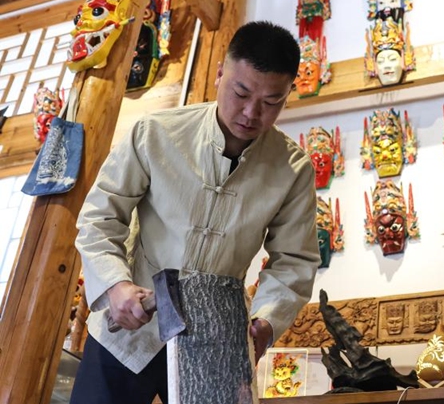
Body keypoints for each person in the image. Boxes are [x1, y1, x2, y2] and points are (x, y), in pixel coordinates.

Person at [72, 21, 320, 404]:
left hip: (218, 343)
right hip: (129, 328)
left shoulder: (293, 169)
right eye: (241, 92)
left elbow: (295, 261)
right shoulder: (155, 133)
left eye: (272, 102)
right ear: (221, 73)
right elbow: (100, 217)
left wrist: (267, 322)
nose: (252, 113)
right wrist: (114, 284)